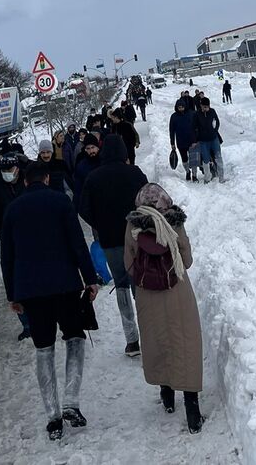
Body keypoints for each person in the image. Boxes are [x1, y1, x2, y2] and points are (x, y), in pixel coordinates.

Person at [0, 162, 101, 440]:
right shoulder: (60, 202)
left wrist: (13, 294)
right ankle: (71, 400)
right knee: (74, 338)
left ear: (23, 182)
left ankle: (53, 417)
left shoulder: (13, 210)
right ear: (46, 179)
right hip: (65, 285)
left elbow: (6, 257)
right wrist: (90, 278)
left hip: (31, 291)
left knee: (43, 349)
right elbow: (77, 243)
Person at [124, 183, 204, 433]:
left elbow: (129, 262)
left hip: (148, 293)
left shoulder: (133, 225)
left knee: (157, 340)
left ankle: (167, 397)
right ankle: (192, 411)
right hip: (177, 289)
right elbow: (187, 260)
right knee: (185, 343)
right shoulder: (174, 221)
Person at [79, 135, 147, 356]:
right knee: (140, 284)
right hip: (136, 237)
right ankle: (148, 333)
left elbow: (83, 208)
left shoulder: (93, 178)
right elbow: (148, 201)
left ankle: (131, 340)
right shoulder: (135, 173)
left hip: (110, 241)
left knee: (121, 285)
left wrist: (100, 223)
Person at [0, 153, 33, 340]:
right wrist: (3, 234)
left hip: (31, 237)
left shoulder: (27, 181)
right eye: (4, 170)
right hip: (9, 241)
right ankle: (26, 323)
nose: (8, 173)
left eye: (11, 169)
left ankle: (42, 315)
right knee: (15, 282)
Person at [193, 97, 226, 183]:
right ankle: (207, 178)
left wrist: (215, 130)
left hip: (214, 139)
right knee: (206, 160)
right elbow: (194, 128)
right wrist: (196, 140)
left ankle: (221, 177)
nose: (205, 109)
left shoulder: (212, 111)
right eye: (204, 107)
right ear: (201, 106)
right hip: (203, 141)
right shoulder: (197, 114)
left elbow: (217, 122)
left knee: (219, 157)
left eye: (207, 107)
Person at [169, 100, 199, 182]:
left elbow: (197, 127)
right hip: (181, 141)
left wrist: (197, 139)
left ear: (185, 106)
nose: (181, 109)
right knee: (184, 159)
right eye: (179, 107)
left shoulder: (192, 114)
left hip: (192, 140)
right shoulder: (174, 117)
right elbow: (172, 131)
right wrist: (172, 143)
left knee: (193, 159)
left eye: (182, 107)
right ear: (176, 107)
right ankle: (187, 171)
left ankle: (194, 175)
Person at [72, 133, 101, 208]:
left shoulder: (104, 162)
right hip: (89, 204)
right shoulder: (81, 166)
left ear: (97, 147)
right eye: (88, 148)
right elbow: (78, 190)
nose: (91, 151)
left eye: (93, 147)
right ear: (85, 150)